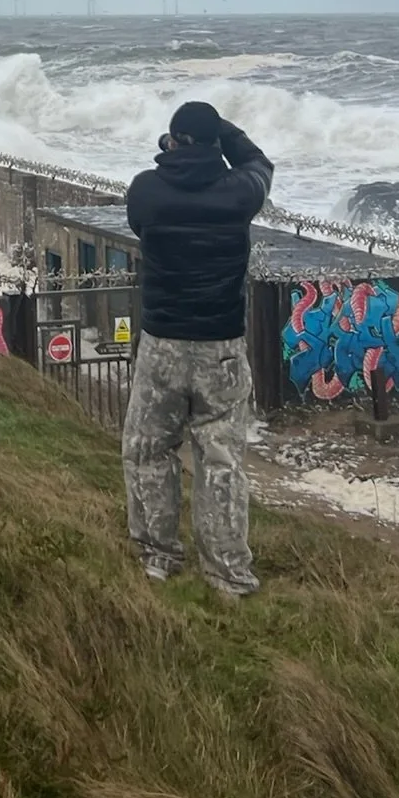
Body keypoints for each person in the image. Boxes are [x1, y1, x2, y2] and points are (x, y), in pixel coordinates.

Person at [121, 101, 274, 596]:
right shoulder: (239, 194)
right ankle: (229, 574)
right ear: (214, 142)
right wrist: (224, 133)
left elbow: (142, 222)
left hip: (163, 345)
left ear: (174, 140)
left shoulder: (147, 191)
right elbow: (260, 164)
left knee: (148, 451)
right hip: (222, 351)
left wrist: (176, 146)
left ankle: (158, 556)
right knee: (221, 461)